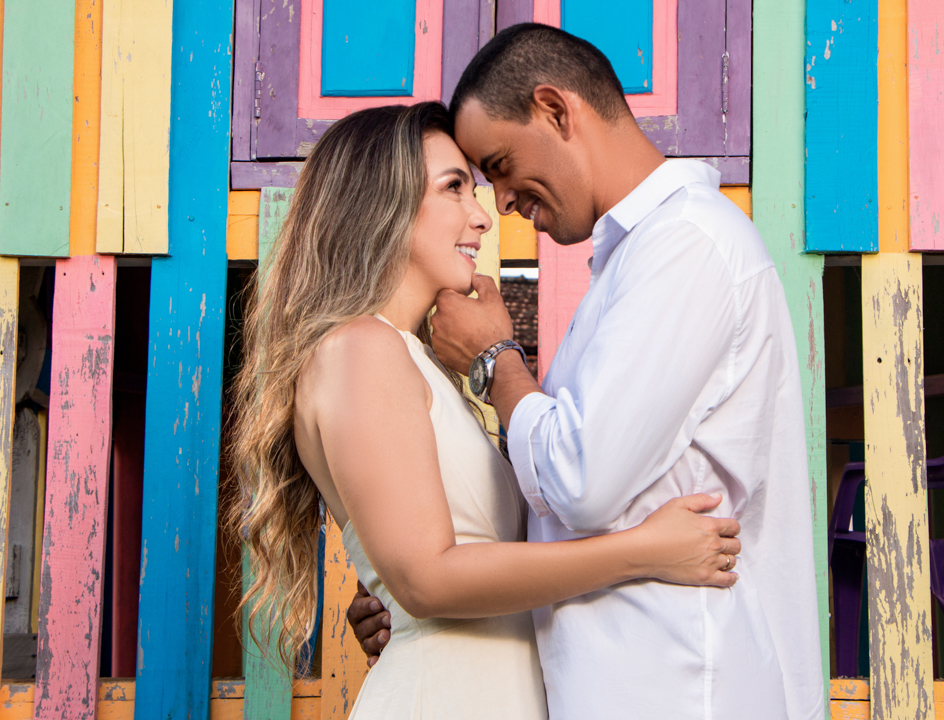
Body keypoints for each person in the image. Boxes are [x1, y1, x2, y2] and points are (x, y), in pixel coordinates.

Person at [351, 23, 824, 720]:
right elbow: (551, 514)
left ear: (556, 110)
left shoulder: (686, 245)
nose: (501, 203)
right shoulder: (629, 265)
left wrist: (497, 360)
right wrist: (412, 592)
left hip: (680, 687)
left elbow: (581, 481)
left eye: (501, 165)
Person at [228, 101, 743, 720]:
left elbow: (435, 571)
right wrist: (646, 551)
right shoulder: (361, 349)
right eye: (454, 189)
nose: (482, 217)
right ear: (378, 202)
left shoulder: (413, 362)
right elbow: (428, 580)